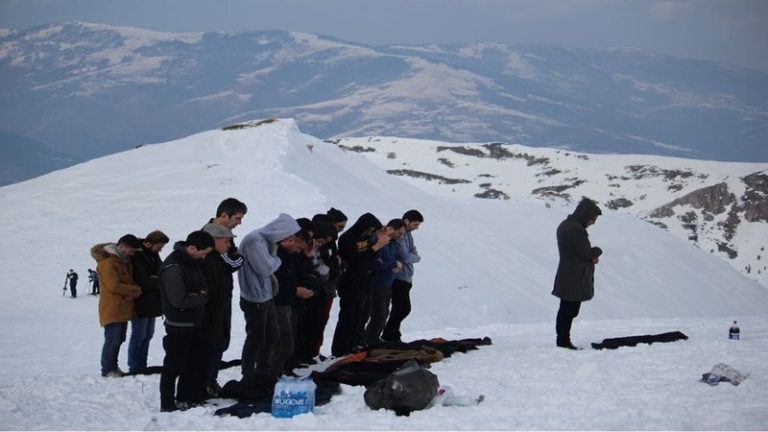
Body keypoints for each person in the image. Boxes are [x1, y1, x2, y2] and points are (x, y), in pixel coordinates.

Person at [238, 213, 301, 377]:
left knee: (272, 339)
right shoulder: (255, 240)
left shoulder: (266, 241)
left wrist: (273, 259)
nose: (291, 240)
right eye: (290, 235)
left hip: (266, 296)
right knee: (257, 340)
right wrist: (276, 260)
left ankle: (265, 374)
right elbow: (266, 267)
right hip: (254, 298)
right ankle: (250, 375)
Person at [158, 231, 214, 412]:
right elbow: (178, 300)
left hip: (194, 322)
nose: (204, 257)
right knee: (173, 366)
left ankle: (187, 396)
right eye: (203, 252)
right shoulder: (174, 267)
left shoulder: (192, 263)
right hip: (178, 325)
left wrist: (199, 295)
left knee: (194, 362)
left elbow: (204, 288)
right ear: (192, 248)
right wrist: (200, 298)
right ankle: (167, 403)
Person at [331, 213, 390, 357]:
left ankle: (352, 345)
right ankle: (340, 348)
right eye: (369, 230)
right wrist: (374, 249)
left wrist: (371, 257)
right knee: (347, 317)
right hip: (349, 282)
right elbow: (356, 259)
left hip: (364, 281)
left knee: (360, 316)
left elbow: (373, 260)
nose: (370, 234)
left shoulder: (366, 239)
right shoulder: (348, 238)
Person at [552, 197, 603, 350]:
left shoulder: (566, 225)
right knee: (569, 311)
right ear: (585, 215)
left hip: (568, 275)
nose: (593, 222)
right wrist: (598, 251)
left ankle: (563, 340)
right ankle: (563, 341)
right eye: (592, 219)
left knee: (566, 310)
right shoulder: (575, 230)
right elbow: (586, 252)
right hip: (574, 277)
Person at [90, 234, 143, 377]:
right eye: (131, 251)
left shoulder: (122, 261)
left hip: (122, 307)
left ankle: (113, 367)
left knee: (119, 339)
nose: (132, 254)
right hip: (113, 307)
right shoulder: (108, 262)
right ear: (122, 246)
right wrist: (136, 291)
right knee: (112, 339)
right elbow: (113, 285)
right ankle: (108, 369)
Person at [199, 223, 236, 397]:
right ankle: (205, 382)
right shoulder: (208, 261)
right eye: (226, 241)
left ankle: (210, 380)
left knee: (220, 344)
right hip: (210, 313)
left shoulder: (216, 259)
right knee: (211, 346)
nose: (229, 246)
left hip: (219, 308)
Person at [128, 230, 169, 374]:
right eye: (159, 246)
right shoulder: (138, 256)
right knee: (139, 334)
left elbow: (162, 272)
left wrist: (156, 278)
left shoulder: (153, 255)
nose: (160, 250)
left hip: (152, 302)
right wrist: (159, 280)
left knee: (148, 334)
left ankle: (142, 364)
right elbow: (143, 280)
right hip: (141, 302)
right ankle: (134, 365)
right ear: (149, 243)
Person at [383, 210, 424, 343]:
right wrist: (412, 257)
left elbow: (413, 254)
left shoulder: (409, 235)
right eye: (415, 224)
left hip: (406, 277)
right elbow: (406, 256)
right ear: (407, 221)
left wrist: (412, 256)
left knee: (401, 308)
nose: (416, 228)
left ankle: (392, 334)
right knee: (402, 307)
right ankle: (389, 334)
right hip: (399, 277)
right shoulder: (400, 236)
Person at [365, 219, 405, 346]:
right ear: (390, 229)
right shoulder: (379, 241)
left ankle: (373, 339)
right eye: (399, 233)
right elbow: (376, 262)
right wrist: (393, 264)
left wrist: (396, 263)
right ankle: (370, 341)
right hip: (377, 283)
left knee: (384, 313)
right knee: (378, 315)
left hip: (387, 283)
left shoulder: (392, 243)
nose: (401, 237)